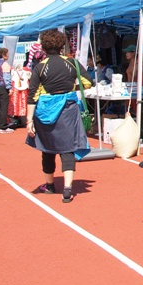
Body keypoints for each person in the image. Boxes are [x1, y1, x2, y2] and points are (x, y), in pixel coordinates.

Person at [25, 30, 93, 203]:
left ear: (43, 47)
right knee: (68, 147)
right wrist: (71, 89)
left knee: (47, 148)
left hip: (45, 112)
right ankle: (68, 188)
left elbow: (32, 95)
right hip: (68, 110)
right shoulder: (72, 63)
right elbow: (88, 82)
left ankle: (49, 185)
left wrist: (29, 120)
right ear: (62, 45)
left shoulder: (40, 67)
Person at [123, 44, 143, 144]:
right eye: (141, 54)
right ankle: (142, 132)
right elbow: (133, 75)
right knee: (140, 112)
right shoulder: (137, 62)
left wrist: (142, 69)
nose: (142, 56)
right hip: (139, 89)